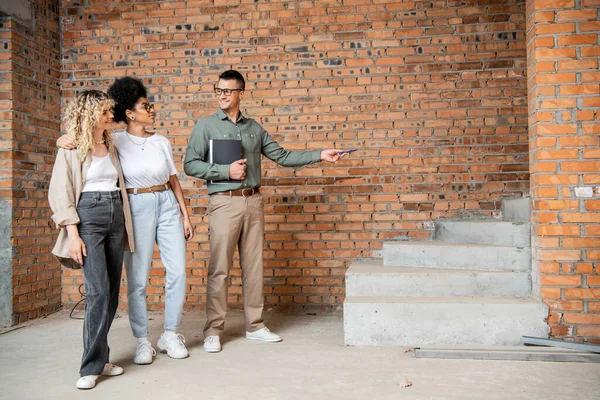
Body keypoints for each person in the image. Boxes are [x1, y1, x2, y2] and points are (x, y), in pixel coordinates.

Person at [184, 69, 345, 353]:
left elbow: (282, 156)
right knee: (219, 268)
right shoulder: (205, 125)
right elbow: (190, 164)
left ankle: (255, 326)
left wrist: (319, 154)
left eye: (227, 91)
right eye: (218, 90)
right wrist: (224, 170)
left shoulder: (254, 128)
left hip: (253, 201)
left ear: (240, 94)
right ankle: (213, 331)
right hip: (223, 201)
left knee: (254, 267)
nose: (221, 95)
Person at [57, 77, 194, 365]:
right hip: (135, 206)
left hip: (167, 203)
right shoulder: (113, 139)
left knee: (178, 271)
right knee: (137, 278)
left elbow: (173, 179)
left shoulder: (162, 141)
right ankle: (142, 340)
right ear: (129, 113)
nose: (152, 109)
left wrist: (184, 213)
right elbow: (82, 140)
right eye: (146, 105)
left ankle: (170, 333)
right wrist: (62, 138)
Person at [49, 90, 135, 389]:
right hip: (87, 215)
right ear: (90, 114)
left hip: (115, 213)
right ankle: (90, 367)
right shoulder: (72, 145)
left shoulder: (111, 141)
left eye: (111, 111)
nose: (112, 115)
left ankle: (101, 357)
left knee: (111, 291)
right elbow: (60, 191)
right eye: (105, 112)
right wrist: (73, 233)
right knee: (97, 291)